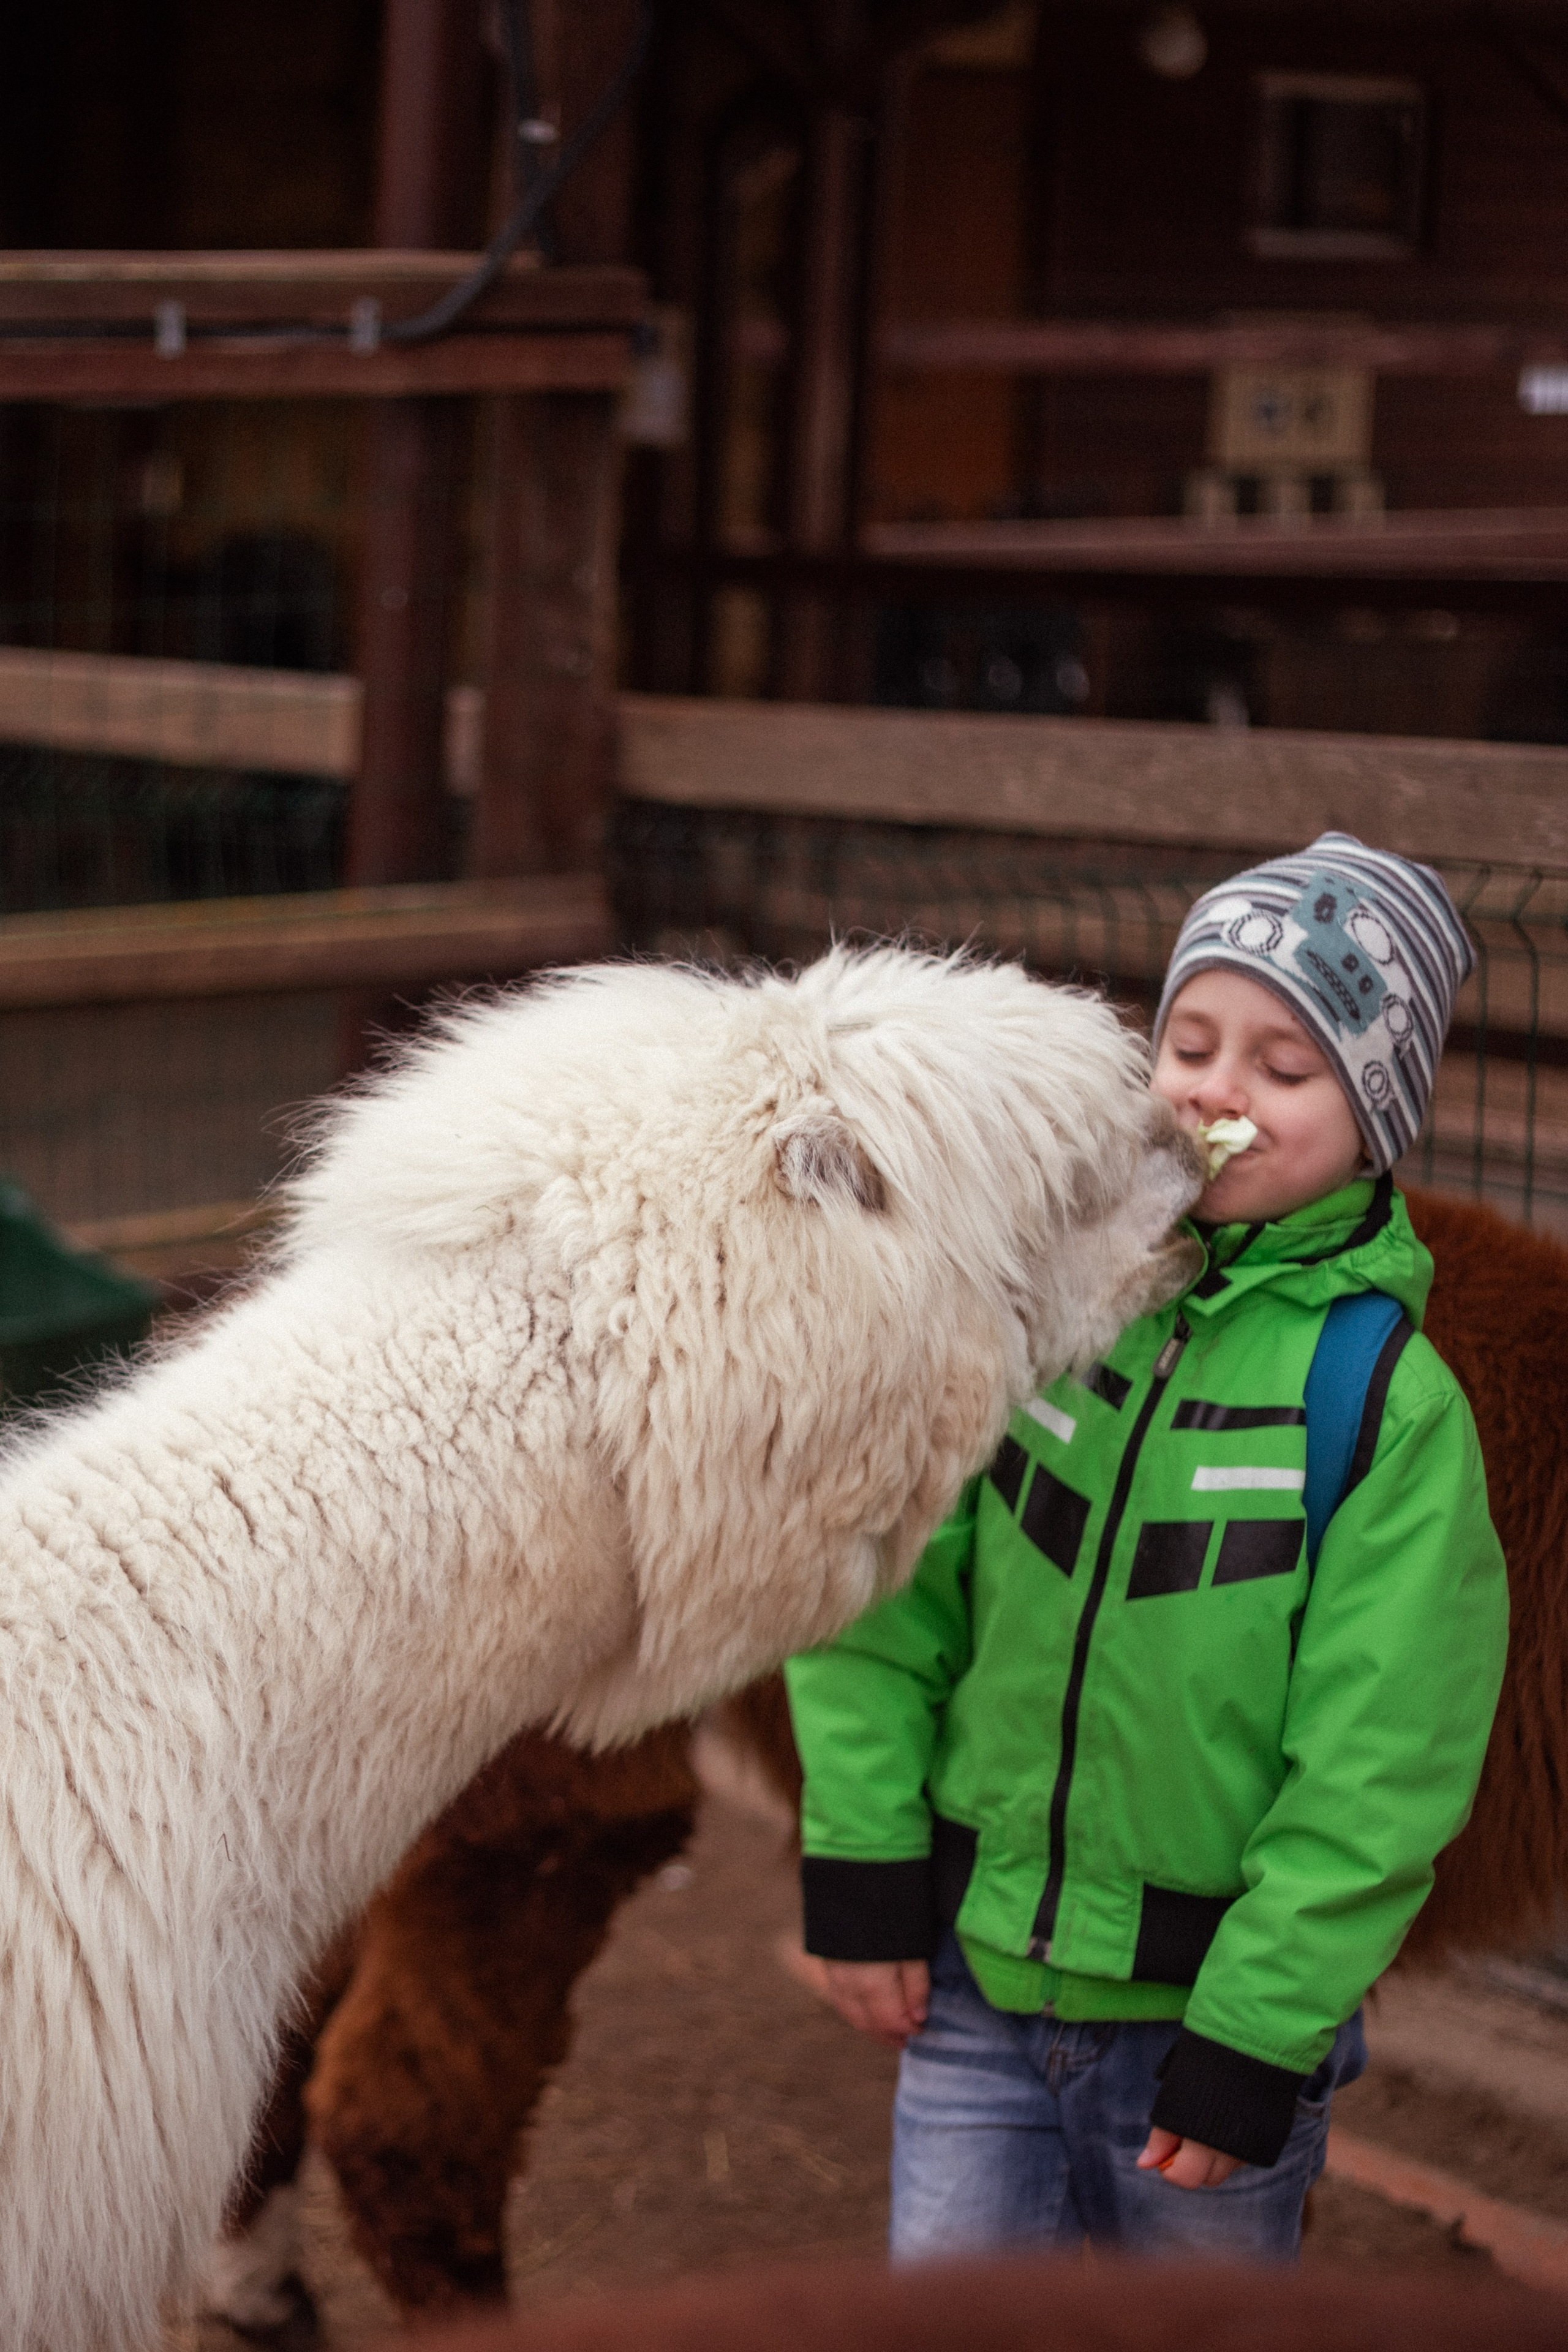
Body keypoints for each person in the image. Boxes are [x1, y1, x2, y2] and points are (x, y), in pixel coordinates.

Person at [783, 834, 1509, 2263]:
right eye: (1187, 1041)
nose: (1214, 1091)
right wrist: (860, 1858)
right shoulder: (1047, 1307)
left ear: (1374, 1117)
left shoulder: (1381, 1408)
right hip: (975, 2000)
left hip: (1199, 2041)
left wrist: (1255, 2034)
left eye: (1283, 1069)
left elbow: (1379, 1767)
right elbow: (884, 1572)